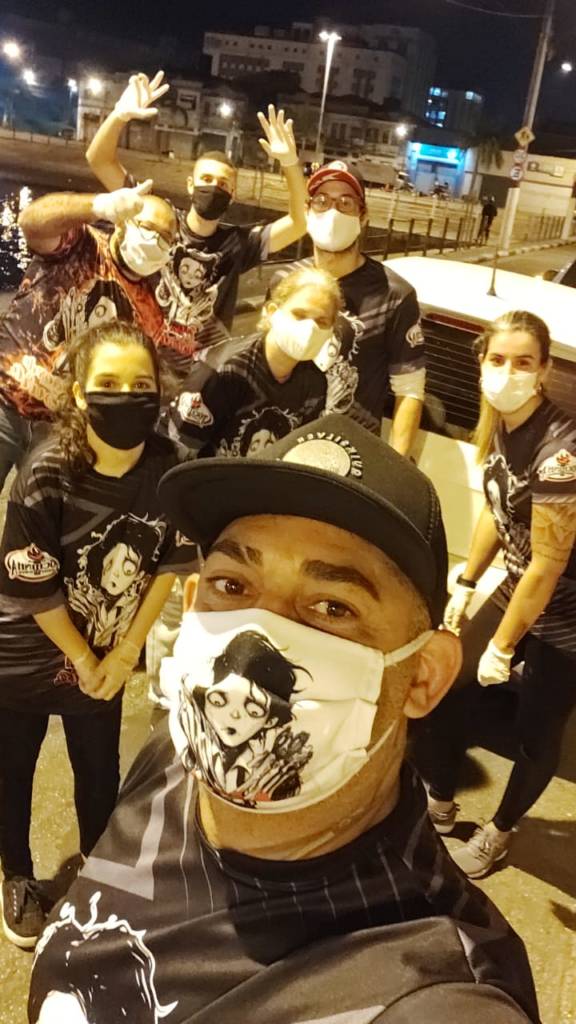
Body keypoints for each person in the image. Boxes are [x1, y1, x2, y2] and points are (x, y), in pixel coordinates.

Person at [29, 414, 539, 1023]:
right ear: (192, 606)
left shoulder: (428, 991)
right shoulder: (176, 758)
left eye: (332, 607)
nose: (253, 644)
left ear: (424, 676)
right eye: (232, 584)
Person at [0, 322, 195, 949]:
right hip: (26, 653)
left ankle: (97, 869)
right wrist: (86, 658)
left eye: (141, 384)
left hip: (108, 656)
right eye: (108, 383)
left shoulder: (170, 470)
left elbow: (170, 563)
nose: (126, 396)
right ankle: (17, 876)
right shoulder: (45, 471)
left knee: (98, 772)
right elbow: (35, 587)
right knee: (12, 770)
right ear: (80, 393)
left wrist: (126, 651)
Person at [411, 311, 576, 878]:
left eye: (523, 362)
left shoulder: (560, 452)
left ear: (544, 370)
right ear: (480, 362)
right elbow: (498, 507)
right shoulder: (503, 425)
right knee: (441, 688)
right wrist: (466, 582)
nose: (509, 372)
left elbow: (549, 564)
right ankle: (438, 803)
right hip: (519, 582)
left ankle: (500, 833)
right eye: (498, 359)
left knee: (536, 731)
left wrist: (503, 646)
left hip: (567, 609)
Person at [86, 71, 307, 351]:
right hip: (140, 358)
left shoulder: (238, 245)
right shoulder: (157, 216)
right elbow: (98, 160)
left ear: (232, 195)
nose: (213, 187)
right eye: (206, 179)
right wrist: (119, 116)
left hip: (200, 369)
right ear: (190, 185)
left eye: (223, 184)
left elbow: (300, 223)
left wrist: (290, 164)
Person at [0, 179, 178, 491]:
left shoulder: (152, 308)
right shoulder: (81, 243)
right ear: (123, 222)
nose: (154, 241)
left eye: (165, 238)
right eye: (147, 228)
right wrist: (99, 205)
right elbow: (32, 222)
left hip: (64, 430)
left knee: (39, 512)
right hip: (4, 401)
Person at [269, 161, 426, 456]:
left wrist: (395, 467)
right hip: (282, 448)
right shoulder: (285, 282)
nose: (333, 211)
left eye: (345, 203)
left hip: (349, 459)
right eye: (321, 201)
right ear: (307, 211)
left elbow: (409, 390)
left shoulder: (395, 295)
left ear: (363, 216)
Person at [170, 267, 341, 457]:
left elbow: (302, 450)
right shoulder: (225, 371)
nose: (310, 328)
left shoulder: (314, 383)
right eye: (299, 315)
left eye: (322, 321)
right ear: (272, 312)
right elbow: (180, 451)